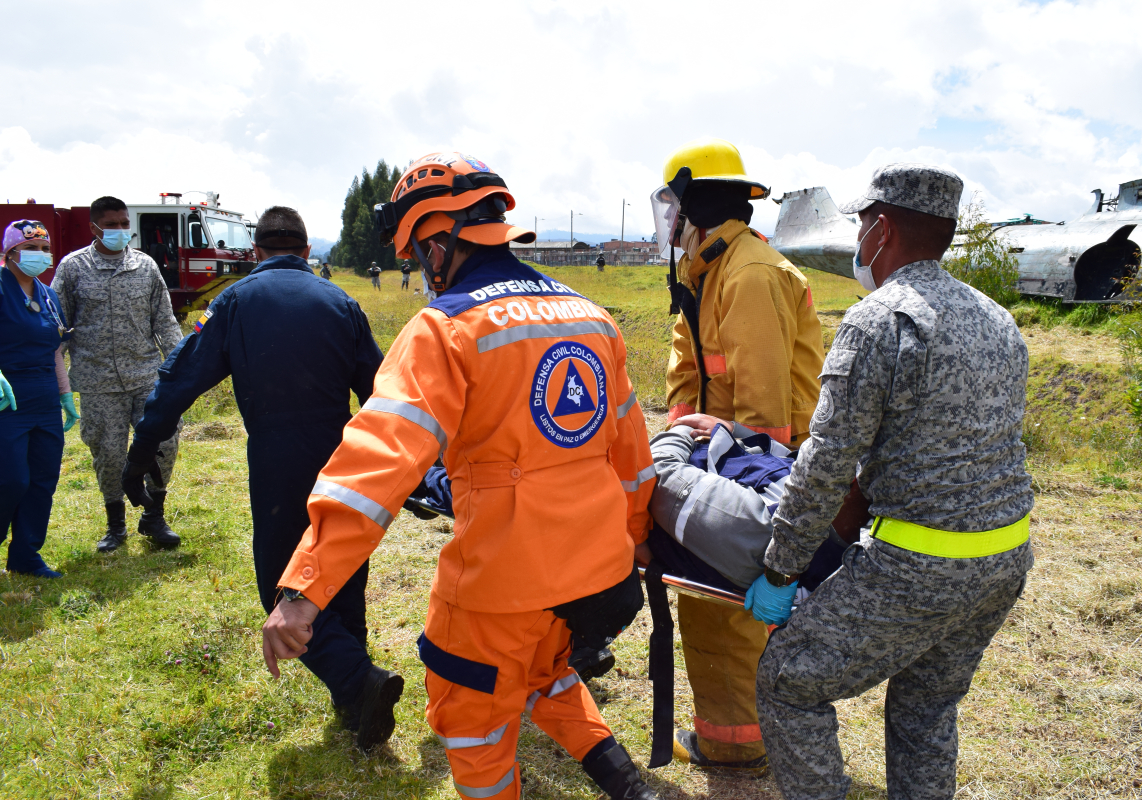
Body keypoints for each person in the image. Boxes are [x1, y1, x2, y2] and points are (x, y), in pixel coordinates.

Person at [261, 152, 660, 799]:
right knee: (545, 672)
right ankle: (627, 786)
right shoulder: (592, 317)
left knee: (469, 717)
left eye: (420, 255)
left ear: (439, 244)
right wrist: (636, 540)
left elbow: (375, 466)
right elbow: (633, 458)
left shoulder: (444, 329)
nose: (424, 271)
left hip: (500, 583)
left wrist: (304, 590)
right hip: (595, 570)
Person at [749, 164, 1036, 800]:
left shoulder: (879, 320)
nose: (857, 241)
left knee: (789, 683)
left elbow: (826, 461)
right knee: (926, 709)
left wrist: (781, 569)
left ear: (881, 230)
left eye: (860, 226)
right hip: (1003, 560)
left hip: (920, 566)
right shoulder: (997, 319)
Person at [122, 206, 395, 749]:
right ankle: (355, 701)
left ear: (256, 250)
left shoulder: (236, 301)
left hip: (277, 456)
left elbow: (181, 377)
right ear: (306, 249)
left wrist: (145, 444)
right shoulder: (341, 302)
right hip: (343, 453)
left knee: (280, 580)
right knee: (339, 563)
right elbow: (381, 389)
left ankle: (356, 680)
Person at [649, 136, 825, 772]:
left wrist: (730, 481)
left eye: (673, 206)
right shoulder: (711, 269)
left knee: (727, 612)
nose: (670, 221)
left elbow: (764, 414)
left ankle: (739, 744)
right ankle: (732, 734)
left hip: (746, 471)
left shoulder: (748, 275)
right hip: (715, 461)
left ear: (693, 203)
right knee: (707, 603)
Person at [51, 196, 183, 554]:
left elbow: (165, 321)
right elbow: (57, 327)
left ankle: (154, 516)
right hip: (98, 382)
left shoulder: (145, 265)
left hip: (146, 376)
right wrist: (54, 378)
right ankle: (116, 524)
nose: (121, 230)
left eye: (125, 223)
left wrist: (180, 368)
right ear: (94, 227)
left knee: (164, 443)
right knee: (108, 454)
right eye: (112, 225)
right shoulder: (73, 267)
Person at [0, 220, 79, 578]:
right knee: (11, 479)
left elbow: (54, 348)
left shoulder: (48, 295)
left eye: (46, 249)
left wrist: (64, 393)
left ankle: (25, 554)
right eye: (31, 248)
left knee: (42, 479)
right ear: (11, 253)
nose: (41, 255)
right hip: (7, 399)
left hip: (45, 397)